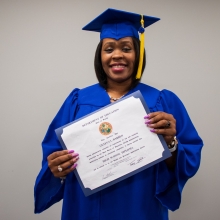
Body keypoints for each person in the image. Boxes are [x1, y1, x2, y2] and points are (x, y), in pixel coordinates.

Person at [34, 8, 203, 220]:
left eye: (126, 48)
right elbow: (53, 155)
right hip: (84, 208)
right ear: (100, 56)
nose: (117, 55)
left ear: (138, 54)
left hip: (140, 207)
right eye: (109, 49)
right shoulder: (77, 101)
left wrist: (170, 143)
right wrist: (56, 168)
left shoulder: (162, 102)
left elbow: (188, 160)